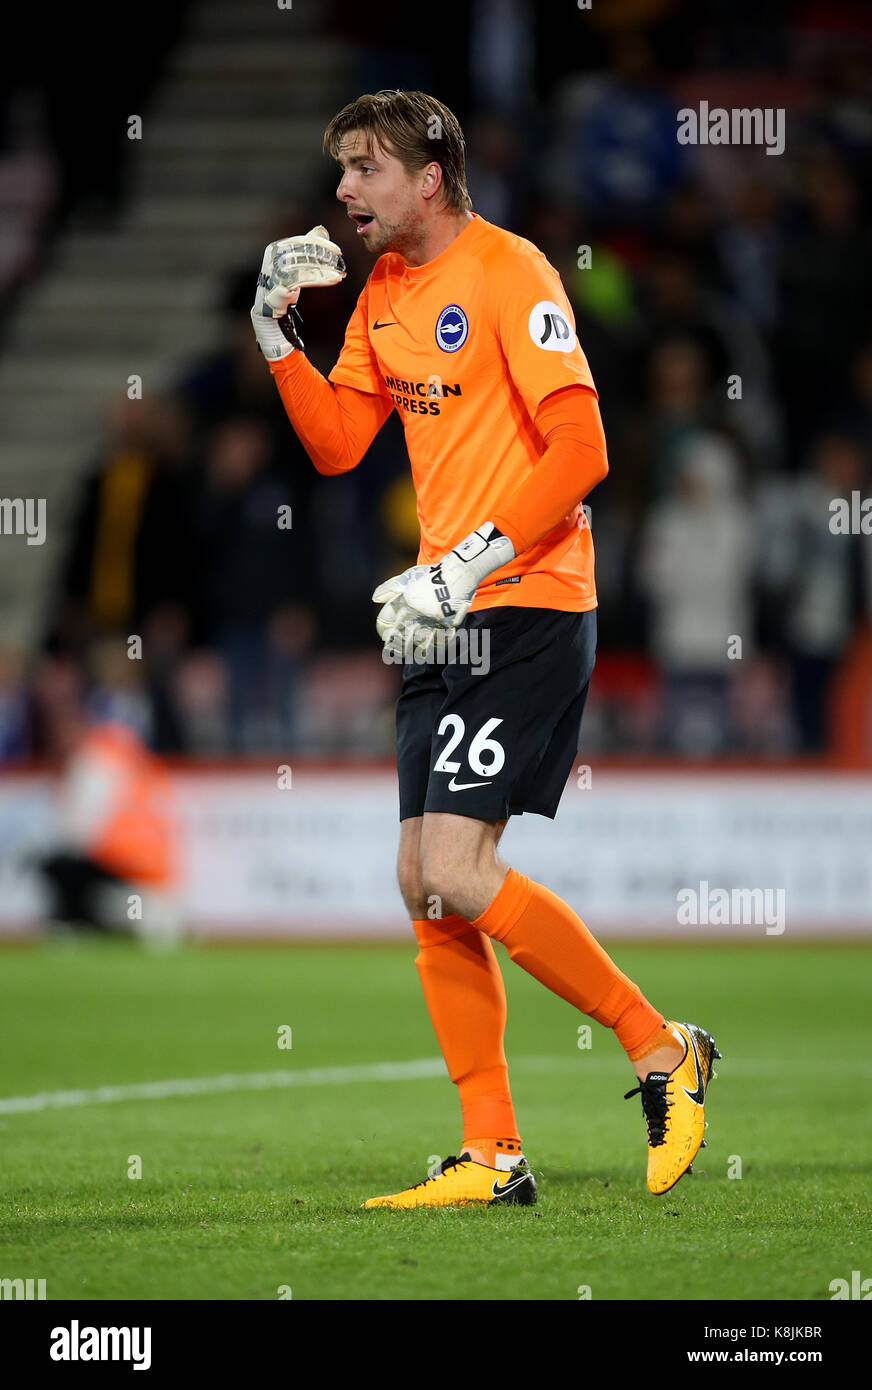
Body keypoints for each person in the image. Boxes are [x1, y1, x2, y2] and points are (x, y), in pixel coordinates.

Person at [249, 89, 720, 1208]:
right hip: (441, 609)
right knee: (422, 881)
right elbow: (334, 443)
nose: (344, 191)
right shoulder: (384, 291)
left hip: (527, 599)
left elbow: (583, 444)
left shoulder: (513, 275)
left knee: (459, 869)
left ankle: (659, 1046)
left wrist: (471, 558)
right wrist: (274, 334)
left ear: (429, 176)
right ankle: (491, 1153)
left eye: (364, 168)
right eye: (340, 169)